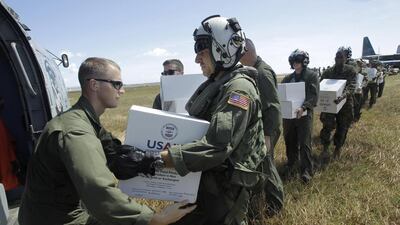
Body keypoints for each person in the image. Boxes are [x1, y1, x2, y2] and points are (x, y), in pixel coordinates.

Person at [18, 57, 195, 225]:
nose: (122, 90)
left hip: (59, 211)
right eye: (116, 84)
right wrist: (155, 219)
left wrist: (150, 160)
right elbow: (99, 192)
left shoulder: (84, 119)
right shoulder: (76, 131)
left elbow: (115, 152)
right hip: (55, 219)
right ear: (94, 84)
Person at [160, 15, 267, 225]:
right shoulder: (218, 83)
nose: (197, 59)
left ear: (222, 48)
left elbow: (219, 145)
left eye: (201, 50)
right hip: (209, 180)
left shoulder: (238, 89)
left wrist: (161, 159)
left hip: (226, 188)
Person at [239, 38, 284, 216]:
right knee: (261, 166)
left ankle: (275, 206)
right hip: (260, 129)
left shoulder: (262, 73)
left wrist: (267, 136)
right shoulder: (253, 71)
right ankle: (260, 201)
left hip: (267, 130)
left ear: (246, 52)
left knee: (267, 166)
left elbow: (272, 108)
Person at [281, 49, 319, 183]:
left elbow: (314, 97)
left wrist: (303, 107)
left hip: (304, 115)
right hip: (288, 117)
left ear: (304, 61)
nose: (295, 63)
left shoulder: (311, 76)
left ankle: (306, 171)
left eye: (298, 60)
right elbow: (282, 94)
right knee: (289, 141)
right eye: (293, 61)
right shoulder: (288, 78)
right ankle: (291, 164)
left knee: (304, 143)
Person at [319, 49, 357, 162]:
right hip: (330, 103)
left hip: (345, 103)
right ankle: (325, 147)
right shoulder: (328, 72)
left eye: (341, 57)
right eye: (336, 56)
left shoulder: (350, 70)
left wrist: (343, 96)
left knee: (343, 126)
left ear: (346, 58)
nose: (338, 59)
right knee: (327, 125)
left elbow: (352, 86)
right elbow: (321, 85)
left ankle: (338, 148)